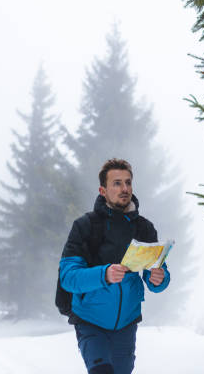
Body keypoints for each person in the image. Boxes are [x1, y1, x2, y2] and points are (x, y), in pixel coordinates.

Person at [59, 158, 171, 374]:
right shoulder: (85, 226)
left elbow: (156, 273)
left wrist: (159, 278)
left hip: (127, 324)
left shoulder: (144, 228)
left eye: (128, 182)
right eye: (117, 183)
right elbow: (68, 277)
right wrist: (104, 274)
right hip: (90, 321)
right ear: (103, 190)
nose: (125, 188)